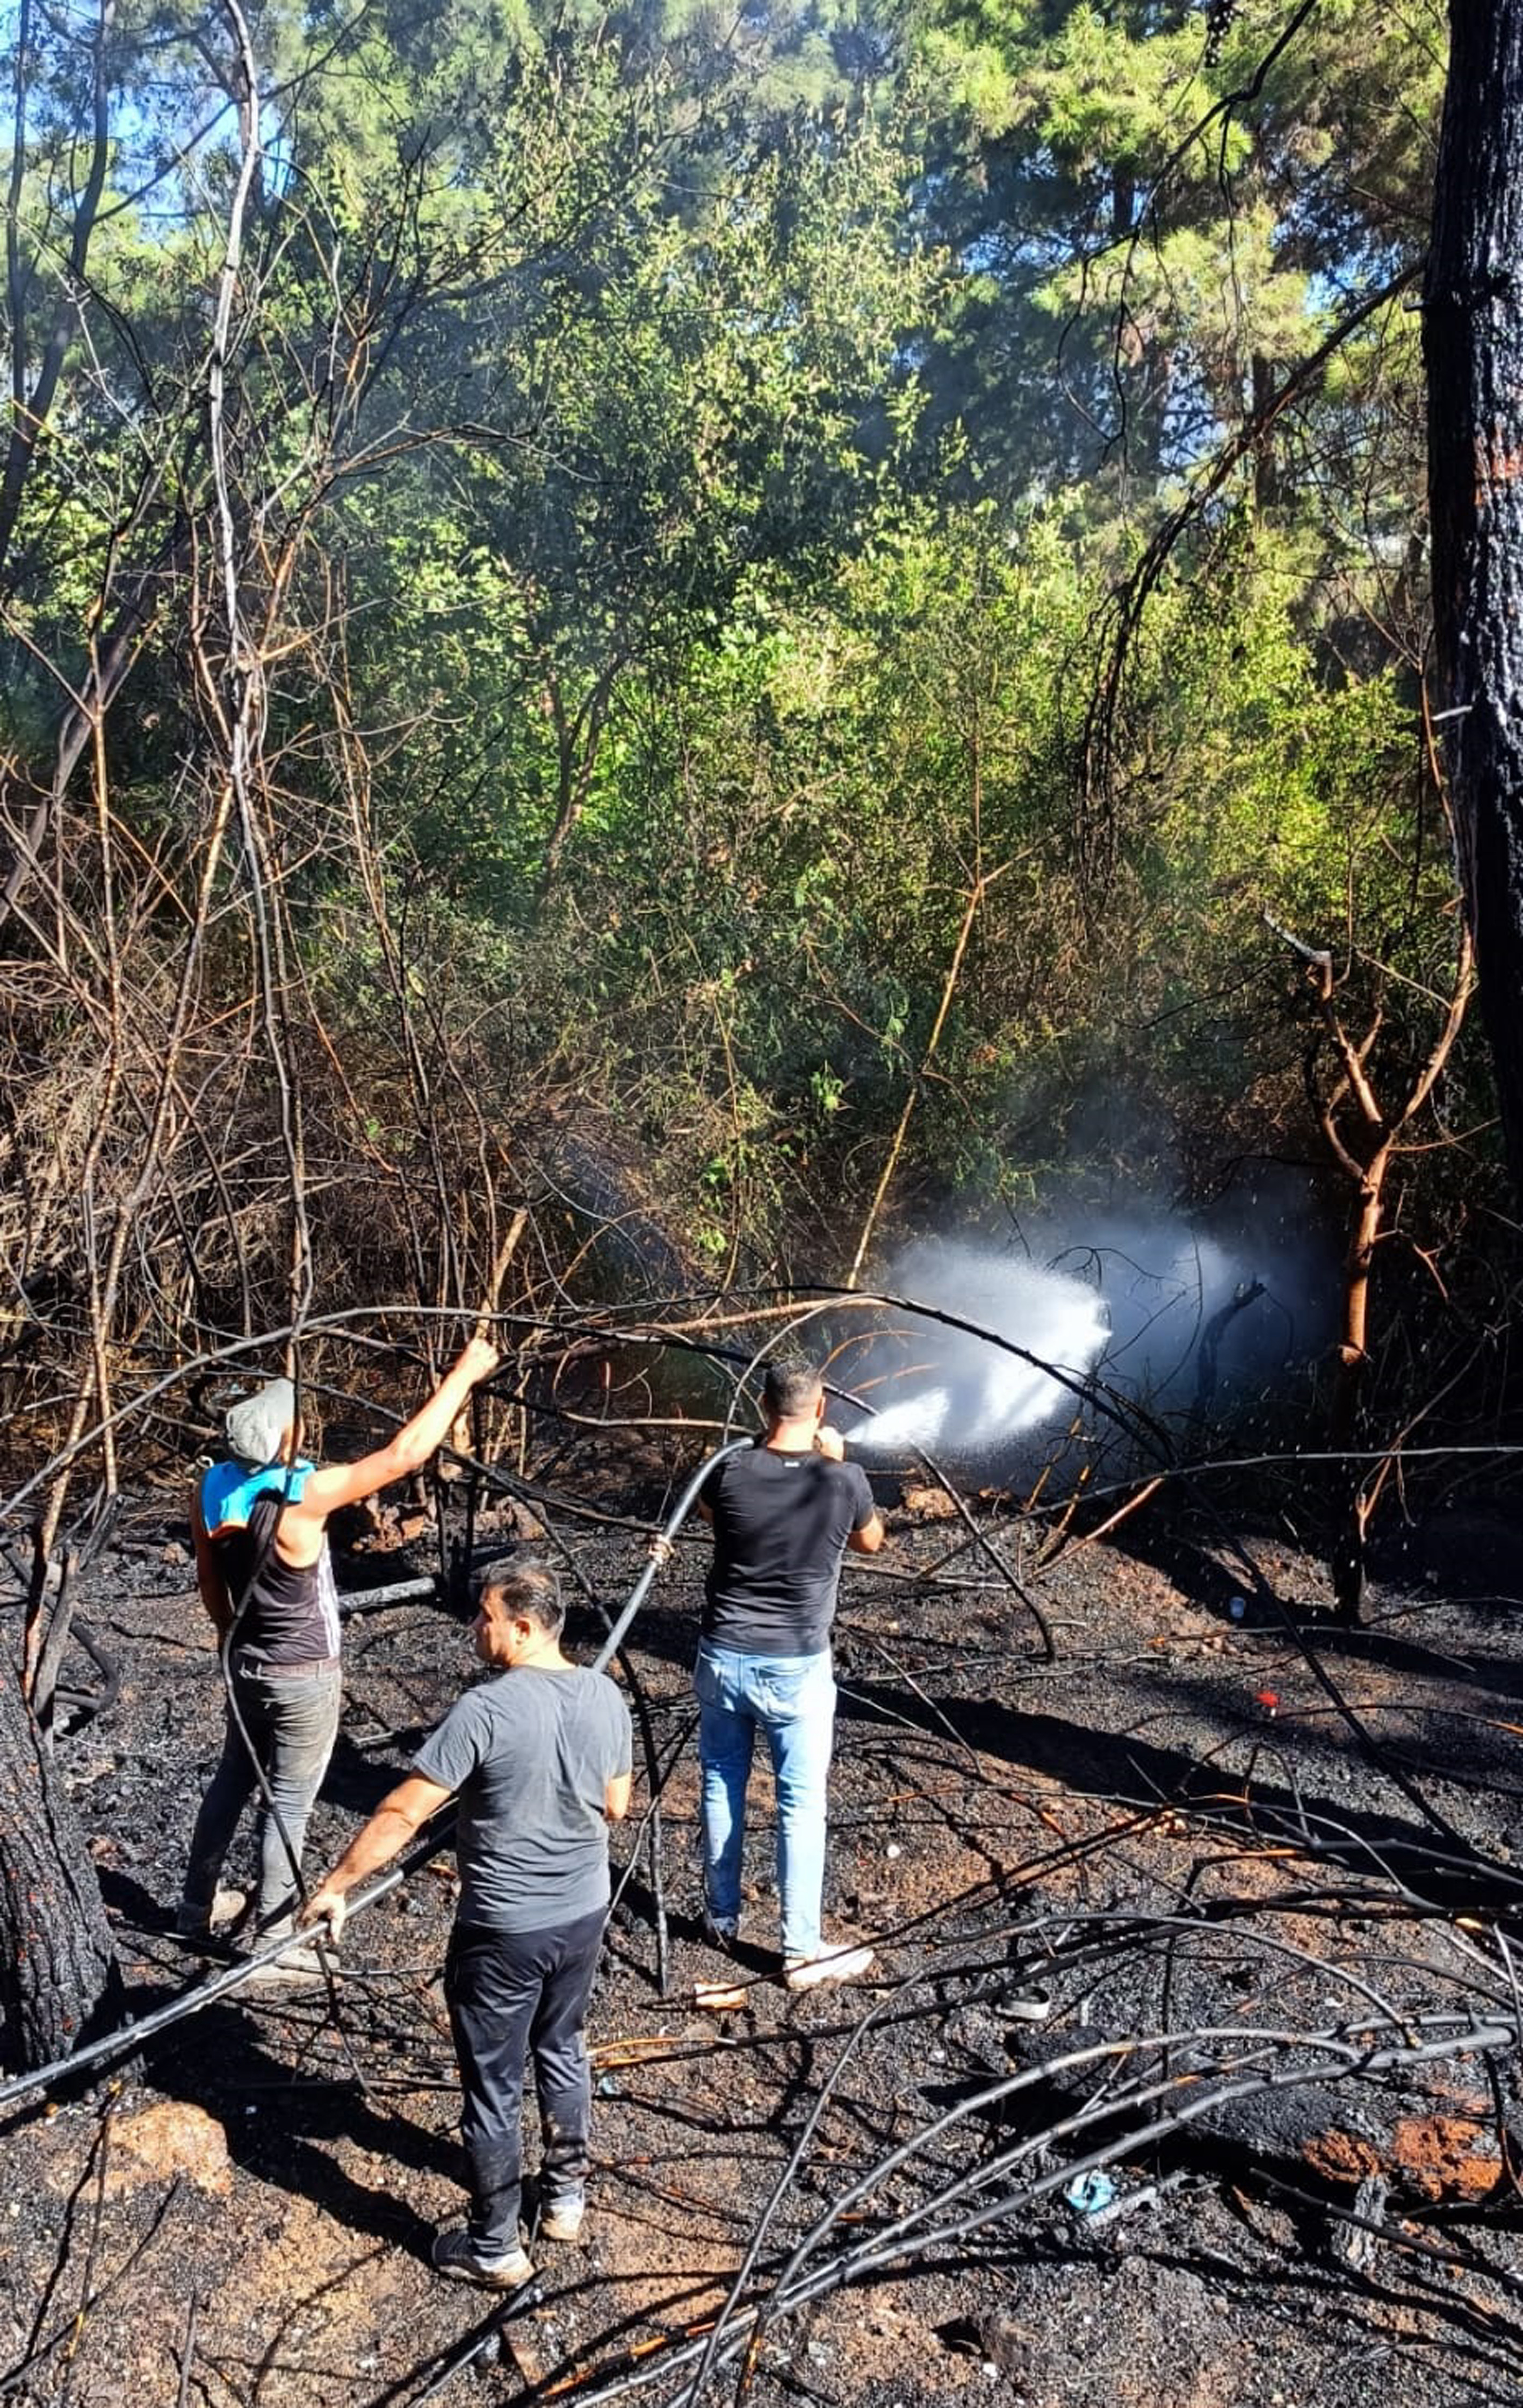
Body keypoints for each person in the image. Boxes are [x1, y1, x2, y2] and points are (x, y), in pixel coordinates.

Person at [300, 1561, 632, 2289]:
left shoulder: (485, 1710)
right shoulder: (603, 1694)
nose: (474, 1628)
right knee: (563, 2047)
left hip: (503, 1932)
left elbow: (401, 1811)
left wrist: (335, 1888)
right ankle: (565, 2200)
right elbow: (615, 1804)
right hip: (580, 1916)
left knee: (492, 2084)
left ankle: (493, 2248)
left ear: (522, 1627)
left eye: (484, 1616)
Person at [178, 1336, 501, 1963]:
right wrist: (463, 1374)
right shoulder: (301, 1497)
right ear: (281, 1438)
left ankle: (194, 1909)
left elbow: (209, 1581)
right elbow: (405, 1454)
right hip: (303, 1673)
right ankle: (272, 1947)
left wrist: (228, 1636)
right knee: (290, 1803)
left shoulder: (212, 1487)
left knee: (232, 1780)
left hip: (245, 1663)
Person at [694, 1356, 885, 1992]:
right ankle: (800, 1950)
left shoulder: (729, 1469)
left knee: (722, 1781)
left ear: (761, 1406)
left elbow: (716, 1522)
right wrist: (834, 1461)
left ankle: (721, 1916)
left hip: (722, 1656)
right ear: (822, 1408)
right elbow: (872, 1541)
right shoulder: (844, 1480)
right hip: (795, 1669)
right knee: (800, 1804)